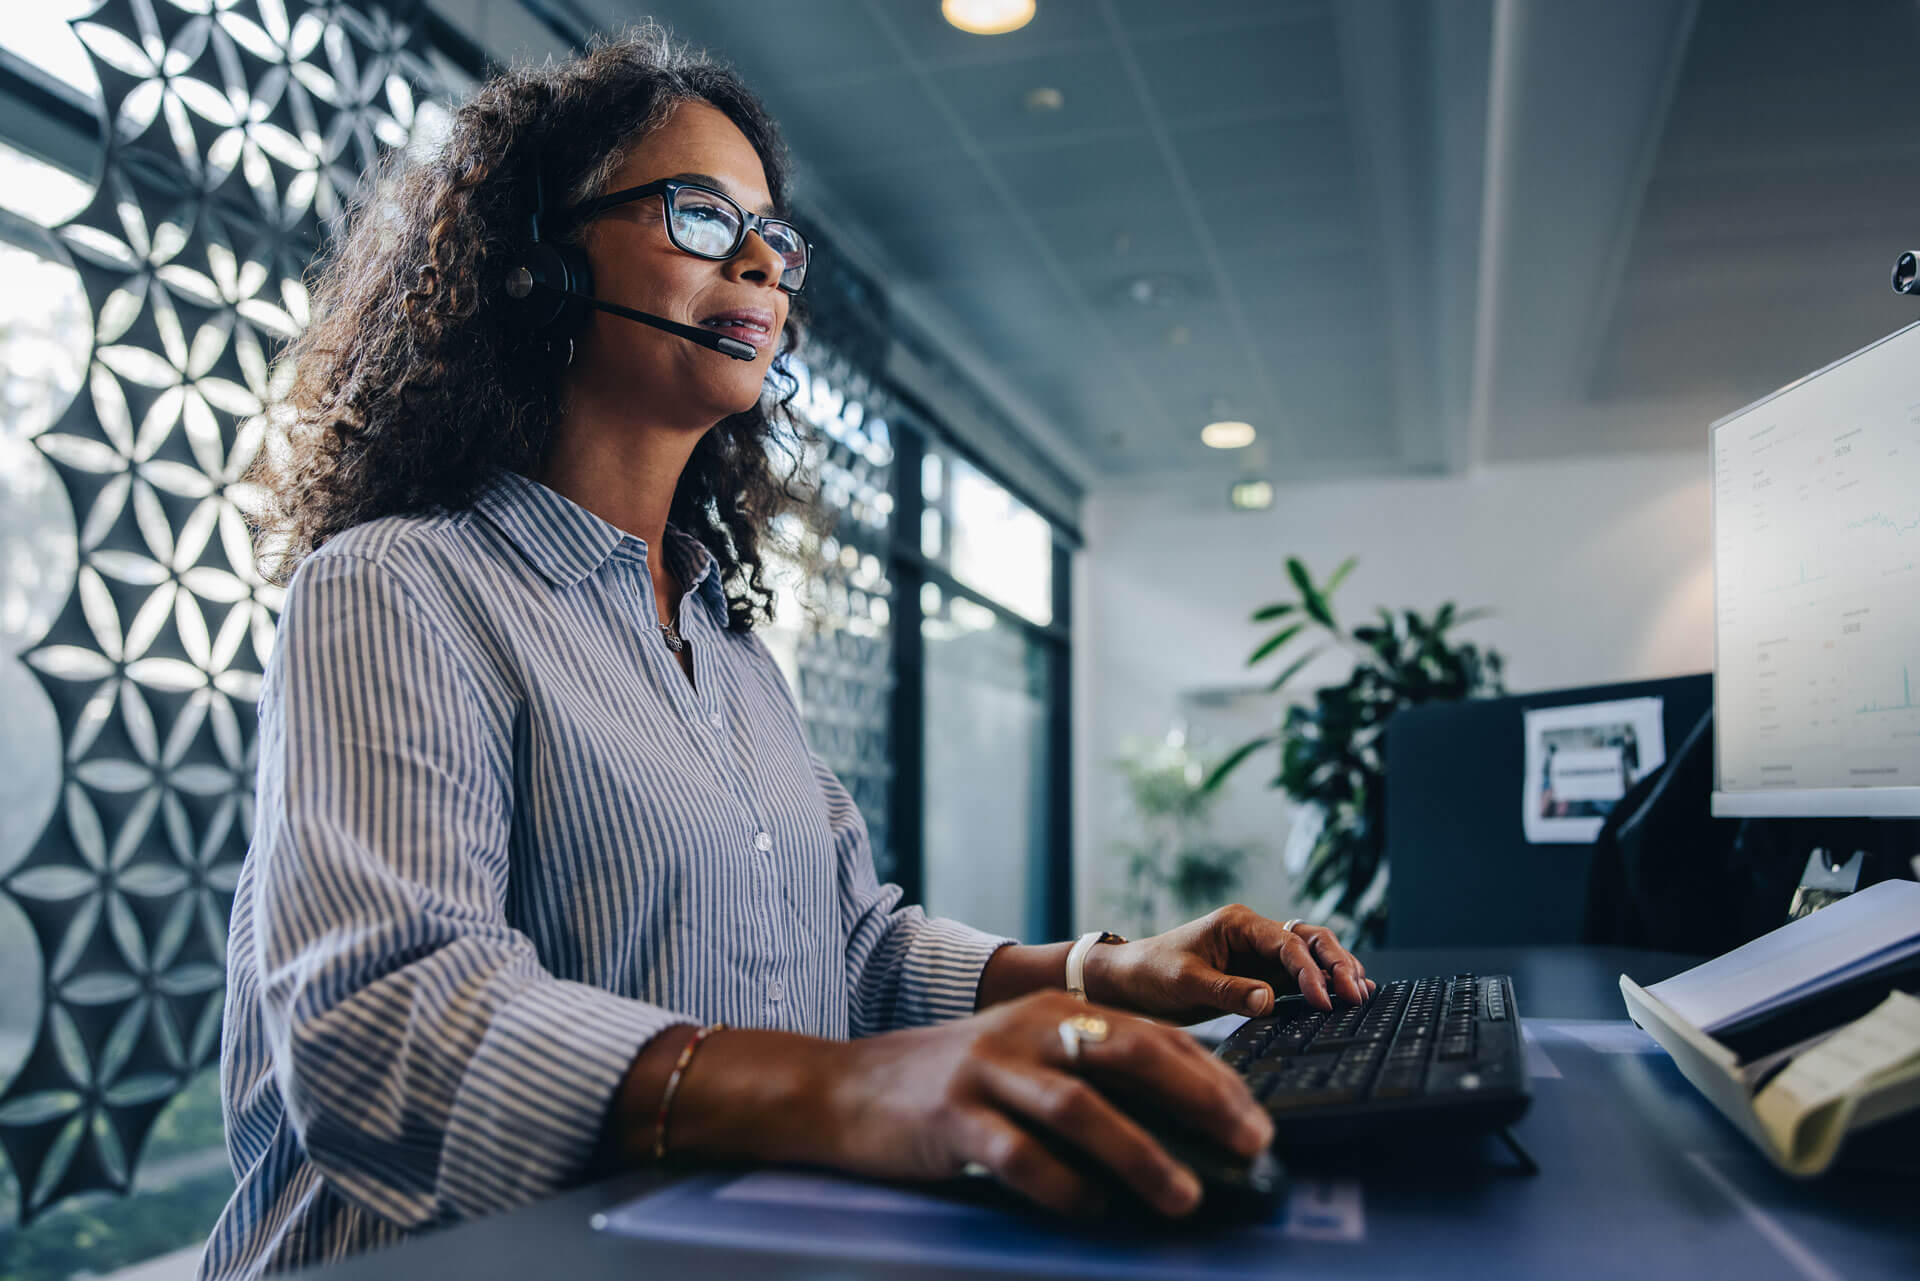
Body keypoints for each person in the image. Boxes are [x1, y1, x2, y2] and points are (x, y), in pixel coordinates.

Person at [198, 27, 1372, 1281]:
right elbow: (384, 1030)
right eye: (701, 215)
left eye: (774, 236)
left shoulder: (729, 647)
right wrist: (851, 1092)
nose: (763, 260)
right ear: (536, 261)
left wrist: (1110, 971)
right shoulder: (397, 590)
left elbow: (850, 951)